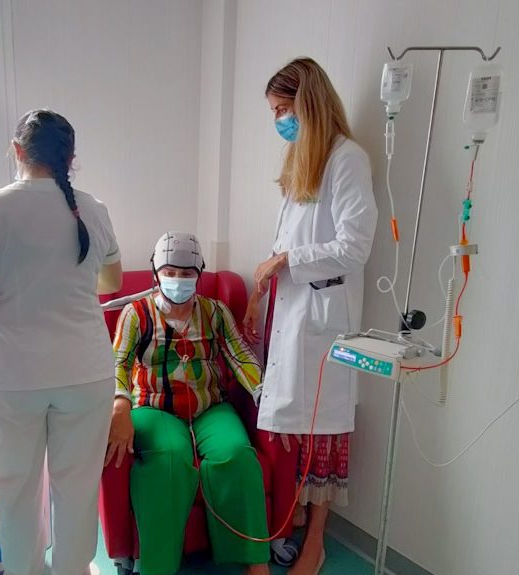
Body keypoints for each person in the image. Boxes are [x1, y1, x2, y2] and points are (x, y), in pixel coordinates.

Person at [0, 109, 123, 575]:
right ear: (72, 158)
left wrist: (11, 303)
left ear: (17, 150)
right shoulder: (95, 209)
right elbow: (110, 280)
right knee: (78, 489)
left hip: (15, 377)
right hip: (86, 373)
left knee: (17, 491)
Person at [243, 58, 378, 575]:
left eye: (283, 110)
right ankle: (288, 525)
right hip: (294, 309)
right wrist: (261, 291)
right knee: (288, 427)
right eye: (275, 112)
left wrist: (285, 262)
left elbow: (354, 246)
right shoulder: (303, 159)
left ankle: (316, 543)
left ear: (309, 104)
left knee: (324, 432)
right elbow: (285, 243)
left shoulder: (348, 160)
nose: (279, 120)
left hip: (325, 320)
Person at [106, 231, 270, 575]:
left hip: (211, 405)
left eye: (186, 273)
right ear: (156, 273)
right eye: (170, 272)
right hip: (155, 407)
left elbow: (239, 355)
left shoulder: (215, 312)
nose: (178, 280)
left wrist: (264, 393)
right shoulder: (136, 314)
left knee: (237, 454)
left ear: (198, 274)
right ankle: (157, 566)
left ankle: (254, 561)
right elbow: (117, 363)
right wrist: (120, 402)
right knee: (168, 461)